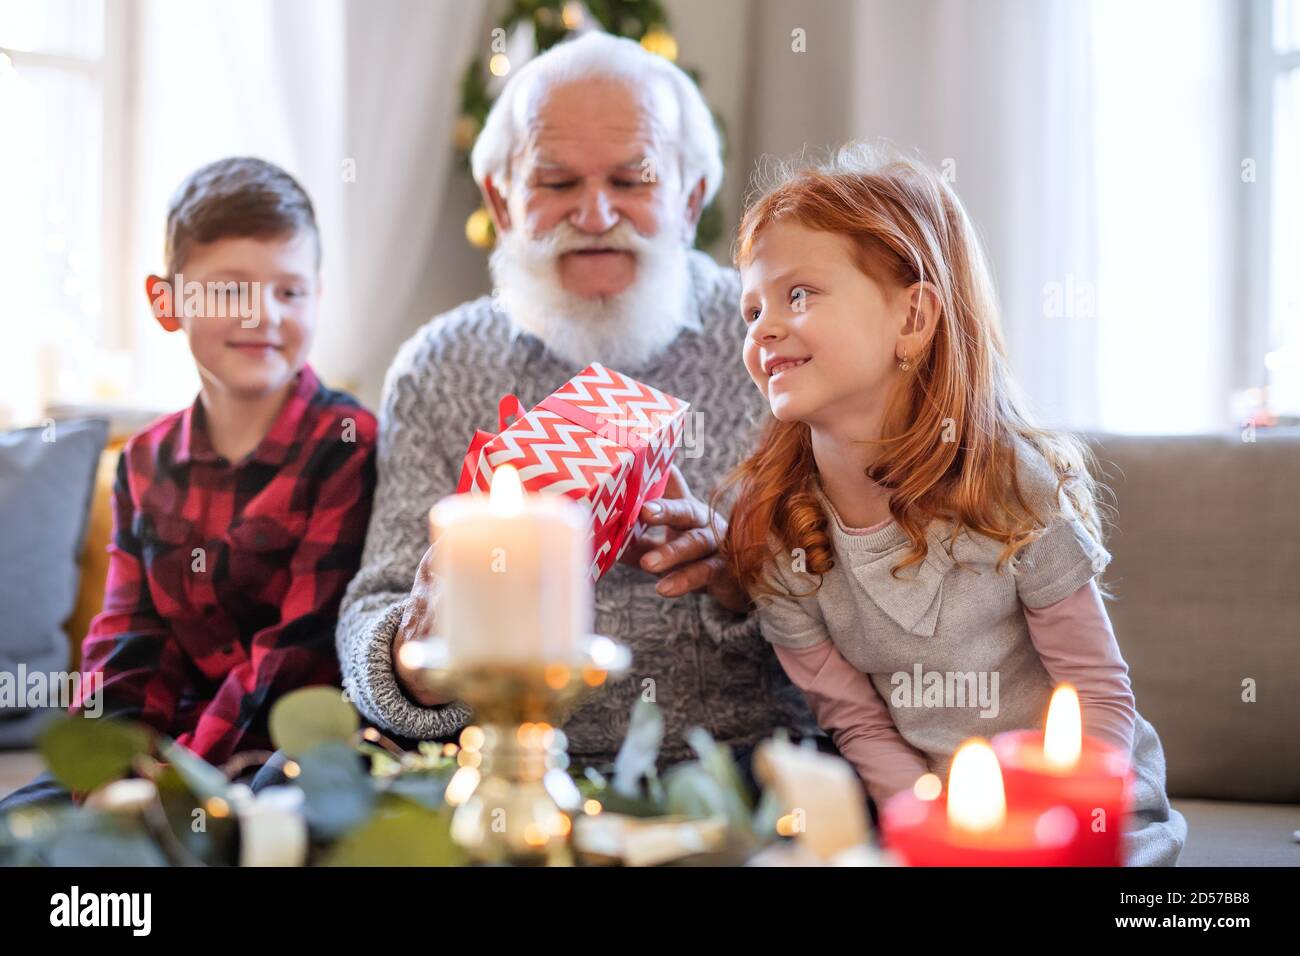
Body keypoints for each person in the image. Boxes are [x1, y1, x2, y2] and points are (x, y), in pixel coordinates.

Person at [336, 32, 819, 778]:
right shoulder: (438, 366)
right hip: (497, 773)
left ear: (691, 198)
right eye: (556, 183)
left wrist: (744, 578)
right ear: (501, 200)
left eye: (633, 181)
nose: (595, 216)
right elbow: (377, 603)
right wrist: (411, 657)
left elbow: (870, 600)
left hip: (741, 770)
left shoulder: (777, 344)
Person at [720, 143, 1187, 865]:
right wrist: (935, 833)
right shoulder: (774, 535)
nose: (763, 327)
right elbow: (860, 728)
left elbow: (1098, 691)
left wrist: (1061, 828)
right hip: (940, 831)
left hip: (1083, 822)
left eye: (798, 295)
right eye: (752, 308)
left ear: (913, 318)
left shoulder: (1015, 487)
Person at [1, 157, 376, 813]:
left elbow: (298, 658)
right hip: (168, 745)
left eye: (289, 291)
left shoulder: (346, 445)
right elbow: (126, 642)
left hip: (281, 748)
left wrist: (174, 782)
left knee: (275, 808)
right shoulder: (144, 462)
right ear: (168, 301)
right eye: (231, 289)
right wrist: (107, 771)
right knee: (25, 820)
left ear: (318, 296)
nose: (263, 314)